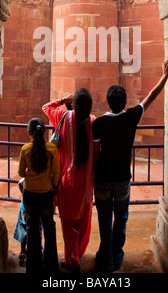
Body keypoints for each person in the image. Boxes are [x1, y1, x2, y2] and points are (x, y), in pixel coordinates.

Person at [92, 60, 168, 272]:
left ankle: (106, 258)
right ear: (125, 101)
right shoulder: (131, 117)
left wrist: (94, 175)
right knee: (121, 219)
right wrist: (164, 76)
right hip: (122, 179)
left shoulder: (98, 124)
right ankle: (117, 257)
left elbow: (94, 155)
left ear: (108, 102)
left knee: (104, 220)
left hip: (102, 178)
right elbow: (151, 97)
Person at [42, 88, 95, 273]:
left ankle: (72, 260)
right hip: (87, 183)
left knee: (68, 225)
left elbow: (46, 107)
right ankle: (78, 254)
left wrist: (64, 99)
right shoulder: (94, 122)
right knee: (83, 221)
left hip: (67, 182)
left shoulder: (63, 118)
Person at [18, 117, 60, 274]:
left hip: (29, 194)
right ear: (44, 131)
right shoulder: (51, 149)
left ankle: (33, 267)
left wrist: (30, 174)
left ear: (29, 132)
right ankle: (51, 266)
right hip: (45, 194)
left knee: (32, 228)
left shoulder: (25, 149)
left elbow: (21, 172)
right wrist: (52, 184)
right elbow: (55, 173)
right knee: (49, 227)